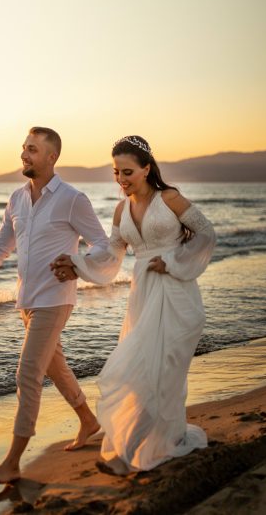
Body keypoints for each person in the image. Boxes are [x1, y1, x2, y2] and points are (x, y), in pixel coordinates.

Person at [51, 135, 216, 475]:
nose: (121, 179)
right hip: (142, 298)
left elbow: (205, 233)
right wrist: (76, 263)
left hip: (175, 296)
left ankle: (125, 455)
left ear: (146, 169)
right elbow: (110, 256)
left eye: (127, 171)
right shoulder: (121, 210)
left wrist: (173, 262)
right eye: (115, 172)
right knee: (137, 374)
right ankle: (156, 442)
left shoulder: (168, 198)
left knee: (158, 376)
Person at [0, 126, 108, 484]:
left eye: (33, 150)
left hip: (56, 298)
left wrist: (77, 264)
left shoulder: (72, 198)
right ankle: (89, 420)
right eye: (24, 148)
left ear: (52, 157)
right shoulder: (16, 198)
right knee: (54, 366)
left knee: (28, 373)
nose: (24, 155)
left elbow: (102, 244)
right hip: (26, 299)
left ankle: (12, 461)